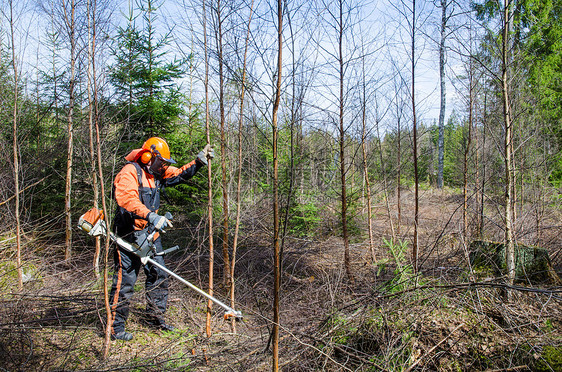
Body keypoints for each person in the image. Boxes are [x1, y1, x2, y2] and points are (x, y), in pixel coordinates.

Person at [109, 137, 213, 341]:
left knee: (159, 274)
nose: (164, 166)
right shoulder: (130, 172)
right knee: (125, 282)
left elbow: (179, 175)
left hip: (150, 235)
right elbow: (126, 199)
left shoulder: (157, 173)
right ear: (148, 156)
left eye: (165, 163)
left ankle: (155, 319)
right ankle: (116, 328)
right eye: (161, 162)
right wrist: (151, 215)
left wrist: (198, 162)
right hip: (128, 235)